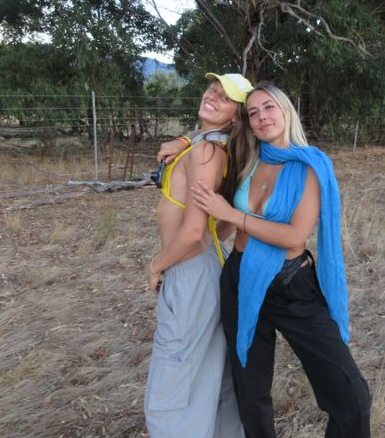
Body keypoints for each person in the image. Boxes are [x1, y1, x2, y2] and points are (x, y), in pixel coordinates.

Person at [191, 83, 371, 438]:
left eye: (269, 107)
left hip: (292, 285)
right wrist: (181, 143)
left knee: (350, 395)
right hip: (241, 278)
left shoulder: (309, 167)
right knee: (250, 388)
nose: (261, 118)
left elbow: (293, 236)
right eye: (253, 113)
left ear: (286, 111)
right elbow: (214, 133)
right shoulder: (249, 157)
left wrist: (231, 213)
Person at [144, 73, 252, 438]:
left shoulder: (206, 152)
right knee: (205, 371)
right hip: (205, 267)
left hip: (189, 268)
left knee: (175, 377)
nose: (212, 96)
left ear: (235, 116)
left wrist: (157, 266)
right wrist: (184, 139)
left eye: (224, 98)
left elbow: (194, 233)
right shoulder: (212, 146)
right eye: (212, 89)